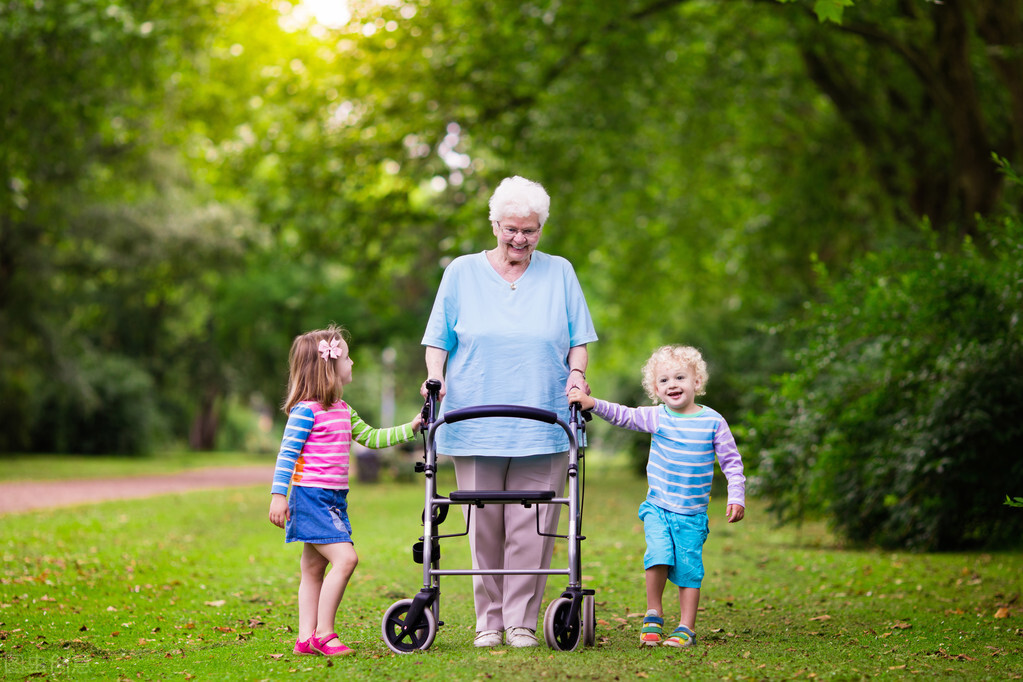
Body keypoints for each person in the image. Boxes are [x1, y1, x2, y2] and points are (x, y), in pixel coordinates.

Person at [421, 175, 598, 648]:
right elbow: (438, 341)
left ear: (541, 228)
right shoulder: (461, 272)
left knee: (533, 526)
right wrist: (435, 378)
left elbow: (579, 341)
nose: (520, 238)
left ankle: (521, 621)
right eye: (511, 229)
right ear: (495, 225)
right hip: (474, 418)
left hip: (545, 418)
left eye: (530, 230)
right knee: (484, 527)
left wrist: (576, 375)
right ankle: (489, 622)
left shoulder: (560, 272)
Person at [568, 345, 745, 648]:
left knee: (689, 570)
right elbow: (623, 415)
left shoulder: (713, 422)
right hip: (658, 507)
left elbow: (732, 462)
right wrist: (592, 403)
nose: (672, 384)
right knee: (658, 555)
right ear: (656, 389)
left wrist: (736, 496)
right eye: (664, 380)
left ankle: (686, 627)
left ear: (696, 382)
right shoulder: (657, 417)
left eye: (680, 377)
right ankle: (654, 614)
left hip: (692, 514)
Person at [269, 325, 422, 657]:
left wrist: (410, 427)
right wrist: (278, 496)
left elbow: (372, 438)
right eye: (347, 358)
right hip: (311, 497)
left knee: (313, 569)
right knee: (346, 559)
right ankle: (324, 634)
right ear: (329, 366)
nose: (351, 363)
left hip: (334, 500)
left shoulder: (343, 409)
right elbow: (287, 455)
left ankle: (305, 639)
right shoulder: (306, 411)